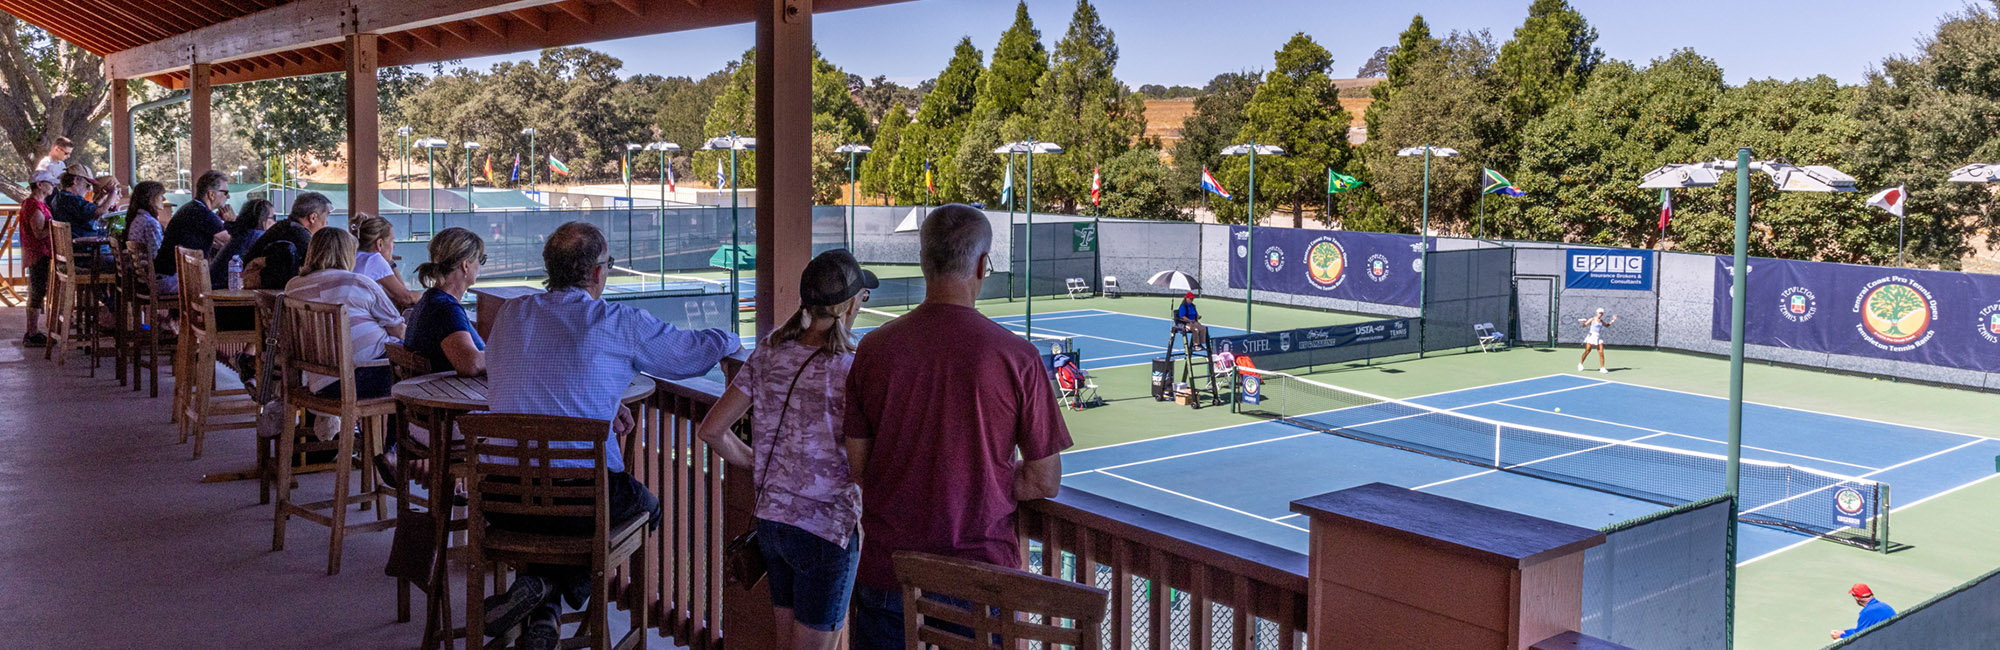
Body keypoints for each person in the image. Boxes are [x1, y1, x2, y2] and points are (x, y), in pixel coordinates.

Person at [481, 221, 739, 650]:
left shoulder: (511, 314)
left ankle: (543, 600)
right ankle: (550, 589)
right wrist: (730, 339)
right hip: (582, 502)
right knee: (647, 508)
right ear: (598, 272)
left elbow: (541, 379)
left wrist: (603, 402)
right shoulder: (616, 321)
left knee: (545, 522)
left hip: (503, 500)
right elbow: (689, 355)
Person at [842, 204, 1072, 650]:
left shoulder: (874, 350)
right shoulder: (1017, 357)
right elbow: (1045, 479)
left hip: (889, 578)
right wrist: (987, 482)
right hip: (982, 586)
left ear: (924, 263)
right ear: (984, 265)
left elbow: (859, 466)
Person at [696, 249, 876, 650]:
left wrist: (758, 463)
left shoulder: (770, 350)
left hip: (772, 526)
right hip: (826, 529)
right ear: (848, 305)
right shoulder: (851, 367)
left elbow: (712, 431)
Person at [283, 227, 405, 401]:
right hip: (362, 376)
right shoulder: (358, 282)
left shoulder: (294, 286)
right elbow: (398, 330)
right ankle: (398, 428)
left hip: (317, 380)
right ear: (347, 254)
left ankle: (345, 426)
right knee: (408, 362)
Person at [403, 227, 486, 376]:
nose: (480, 266)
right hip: (455, 395)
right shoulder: (445, 309)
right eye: (480, 259)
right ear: (465, 265)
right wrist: (502, 356)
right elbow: (470, 364)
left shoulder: (431, 299)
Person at [155, 170, 234, 292]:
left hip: (164, 276)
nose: (228, 196)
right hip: (172, 279)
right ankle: (210, 311)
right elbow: (231, 242)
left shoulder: (191, 208)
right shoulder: (202, 213)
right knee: (227, 284)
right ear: (211, 194)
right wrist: (231, 221)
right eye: (225, 192)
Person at [243, 192, 331, 290]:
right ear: (313, 218)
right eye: (326, 217)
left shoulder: (283, 228)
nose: (326, 223)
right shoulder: (299, 235)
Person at [18, 170, 57, 347]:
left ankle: (33, 331)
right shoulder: (33, 205)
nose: (53, 186)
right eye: (49, 183)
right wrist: (54, 227)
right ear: (39, 185)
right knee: (36, 291)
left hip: (42, 253)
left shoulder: (40, 204)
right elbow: (39, 233)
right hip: (38, 253)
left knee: (38, 290)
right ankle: (31, 332)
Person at [351, 215, 419, 310]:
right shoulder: (373, 259)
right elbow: (407, 298)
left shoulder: (354, 257)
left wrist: (390, 262)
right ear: (380, 244)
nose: (394, 246)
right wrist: (429, 295)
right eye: (392, 241)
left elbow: (396, 295)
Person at [210, 199, 275, 291]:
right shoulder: (258, 237)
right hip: (224, 292)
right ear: (262, 220)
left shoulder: (241, 235)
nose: (275, 223)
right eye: (273, 218)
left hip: (214, 287)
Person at [51, 165, 120, 240]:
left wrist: (102, 196)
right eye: (88, 185)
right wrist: (113, 192)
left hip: (71, 244)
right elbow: (101, 212)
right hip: (85, 245)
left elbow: (90, 211)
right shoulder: (74, 200)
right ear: (76, 180)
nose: (89, 189)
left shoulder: (59, 198)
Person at [125, 181, 169, 270]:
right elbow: (157, 254)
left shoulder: (137, 219)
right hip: (154, 277)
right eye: (160, 195)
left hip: (140, 274)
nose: (163, 199)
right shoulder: (150, 222)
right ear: (150, 198)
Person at [1577, 307, 1617, 373]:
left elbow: (1607, 325)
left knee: (1601, 352)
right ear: (1597, 313)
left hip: (1598, 337)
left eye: (1601, 313)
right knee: (1587, 351)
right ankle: (1580, 364)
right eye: (1599, 313)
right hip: (1591, 336)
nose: (1600, 314)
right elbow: (1584, 326)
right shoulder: (1592, 319)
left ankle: (1602, 368)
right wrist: (1583, 322)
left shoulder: (1601, 321)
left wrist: (1613, 320)